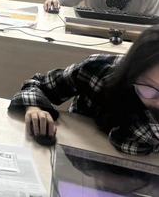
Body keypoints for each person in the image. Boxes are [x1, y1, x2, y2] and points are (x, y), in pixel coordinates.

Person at [8, 26, 159, 155]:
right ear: (131, 73)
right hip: (78, 157)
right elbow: (38, 84)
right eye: (149, 88)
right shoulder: (98, 70)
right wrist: (34, 108)